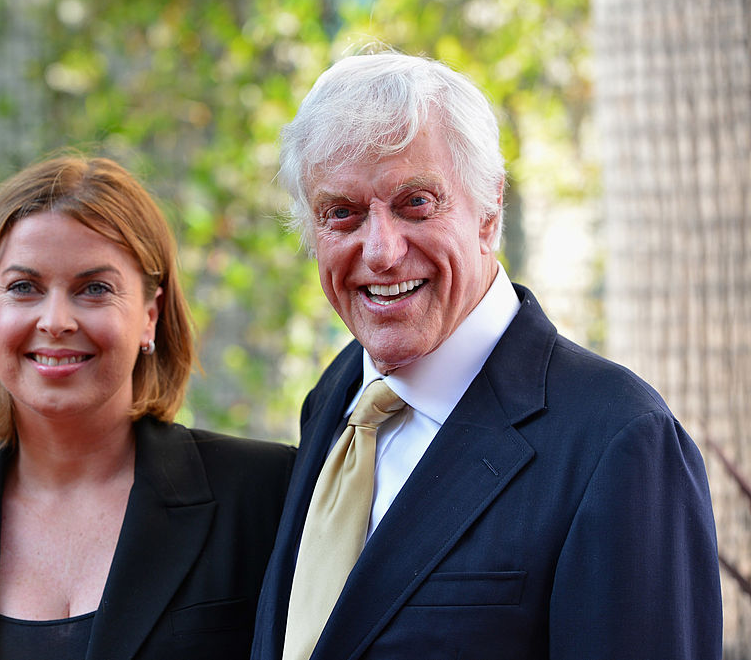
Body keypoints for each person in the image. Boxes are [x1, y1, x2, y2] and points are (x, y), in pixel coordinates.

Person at [252, 52, 722, 660]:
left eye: (415, 202)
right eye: (341, 213)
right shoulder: (339, 394)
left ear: (489, 210)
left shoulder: (619, 440)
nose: (383, 251)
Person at [0, 152, 295, 660]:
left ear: (150, 314)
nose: (56, 320)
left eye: (95, 289)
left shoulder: (266, 493)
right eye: (23, 288)